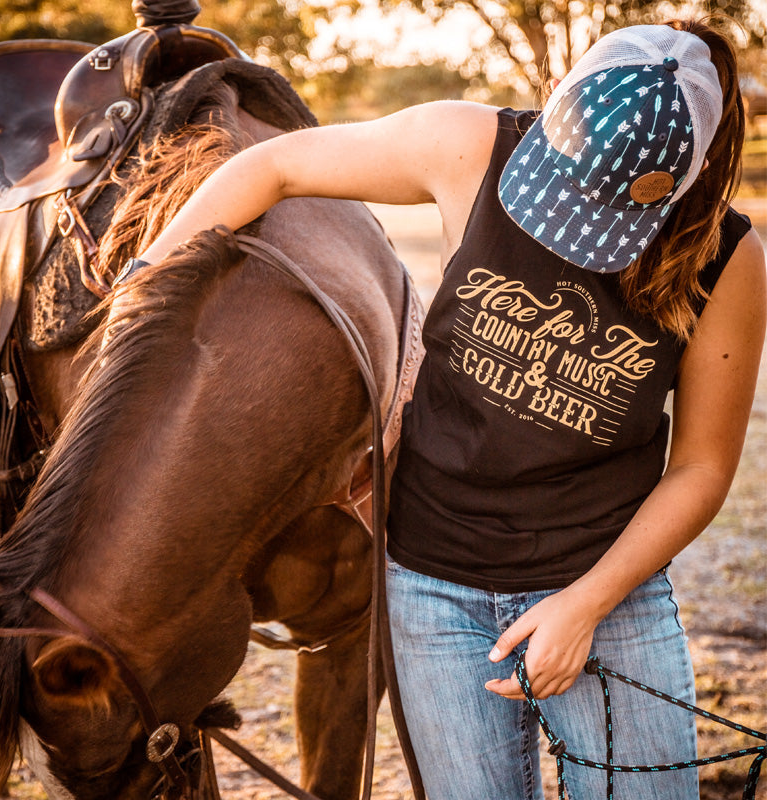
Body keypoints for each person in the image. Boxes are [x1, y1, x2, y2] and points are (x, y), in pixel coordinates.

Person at [116, 19, 766, 800]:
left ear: (683, 181)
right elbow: (277, 166)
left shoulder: (727, 259)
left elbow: (701, 467)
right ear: (558, 104)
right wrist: (143, 284)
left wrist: (586, 604)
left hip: (607, 583)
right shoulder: (469, 144)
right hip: (434, 586)